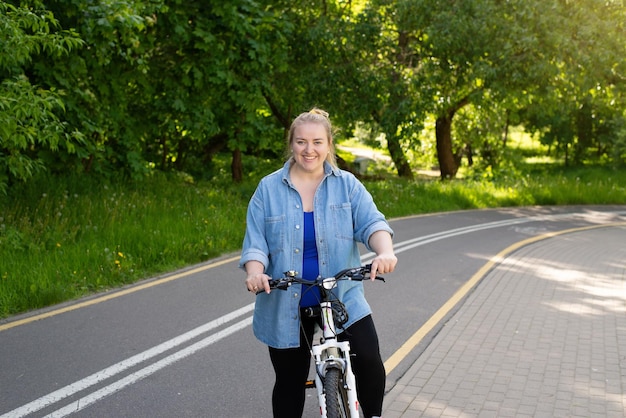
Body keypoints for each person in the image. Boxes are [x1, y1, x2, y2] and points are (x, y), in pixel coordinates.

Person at [239, 108, 397, 418]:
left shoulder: (346, 185)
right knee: (289, 381)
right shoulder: (268, 189)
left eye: (317, 142)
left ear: (328, 144)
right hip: (285, 299)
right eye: (301, 142)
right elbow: (255, 243)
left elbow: (372, 223)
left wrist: (384, 252)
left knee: (368, 359)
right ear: (291, 144)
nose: (309, 150)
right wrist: (256, 273)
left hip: (341, 296)